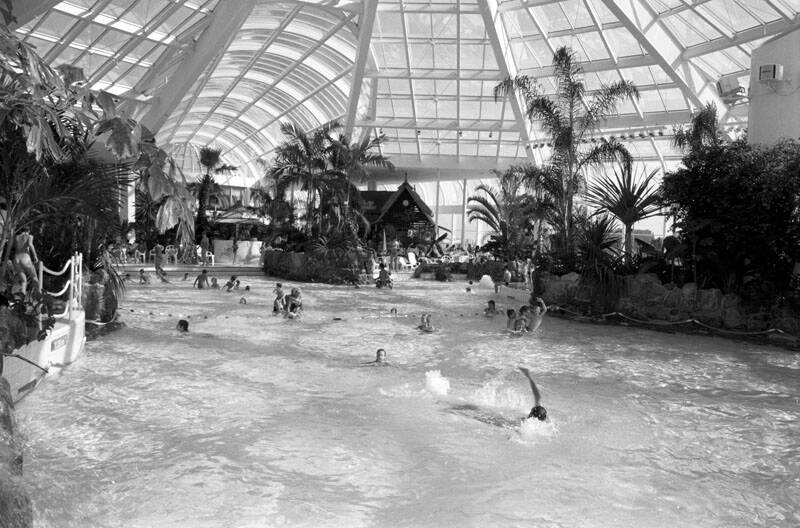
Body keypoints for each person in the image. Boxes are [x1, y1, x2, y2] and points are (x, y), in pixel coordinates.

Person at [11, 226, 39, 295]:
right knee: (34, 277)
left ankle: (22, 300)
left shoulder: (16, 237)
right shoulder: (29, 236)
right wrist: (35, 256)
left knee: (24, 281)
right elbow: (30, 244)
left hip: (16, 259)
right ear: (28, 231)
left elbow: (15, 247)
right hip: (25, 257)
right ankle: (39, 295)